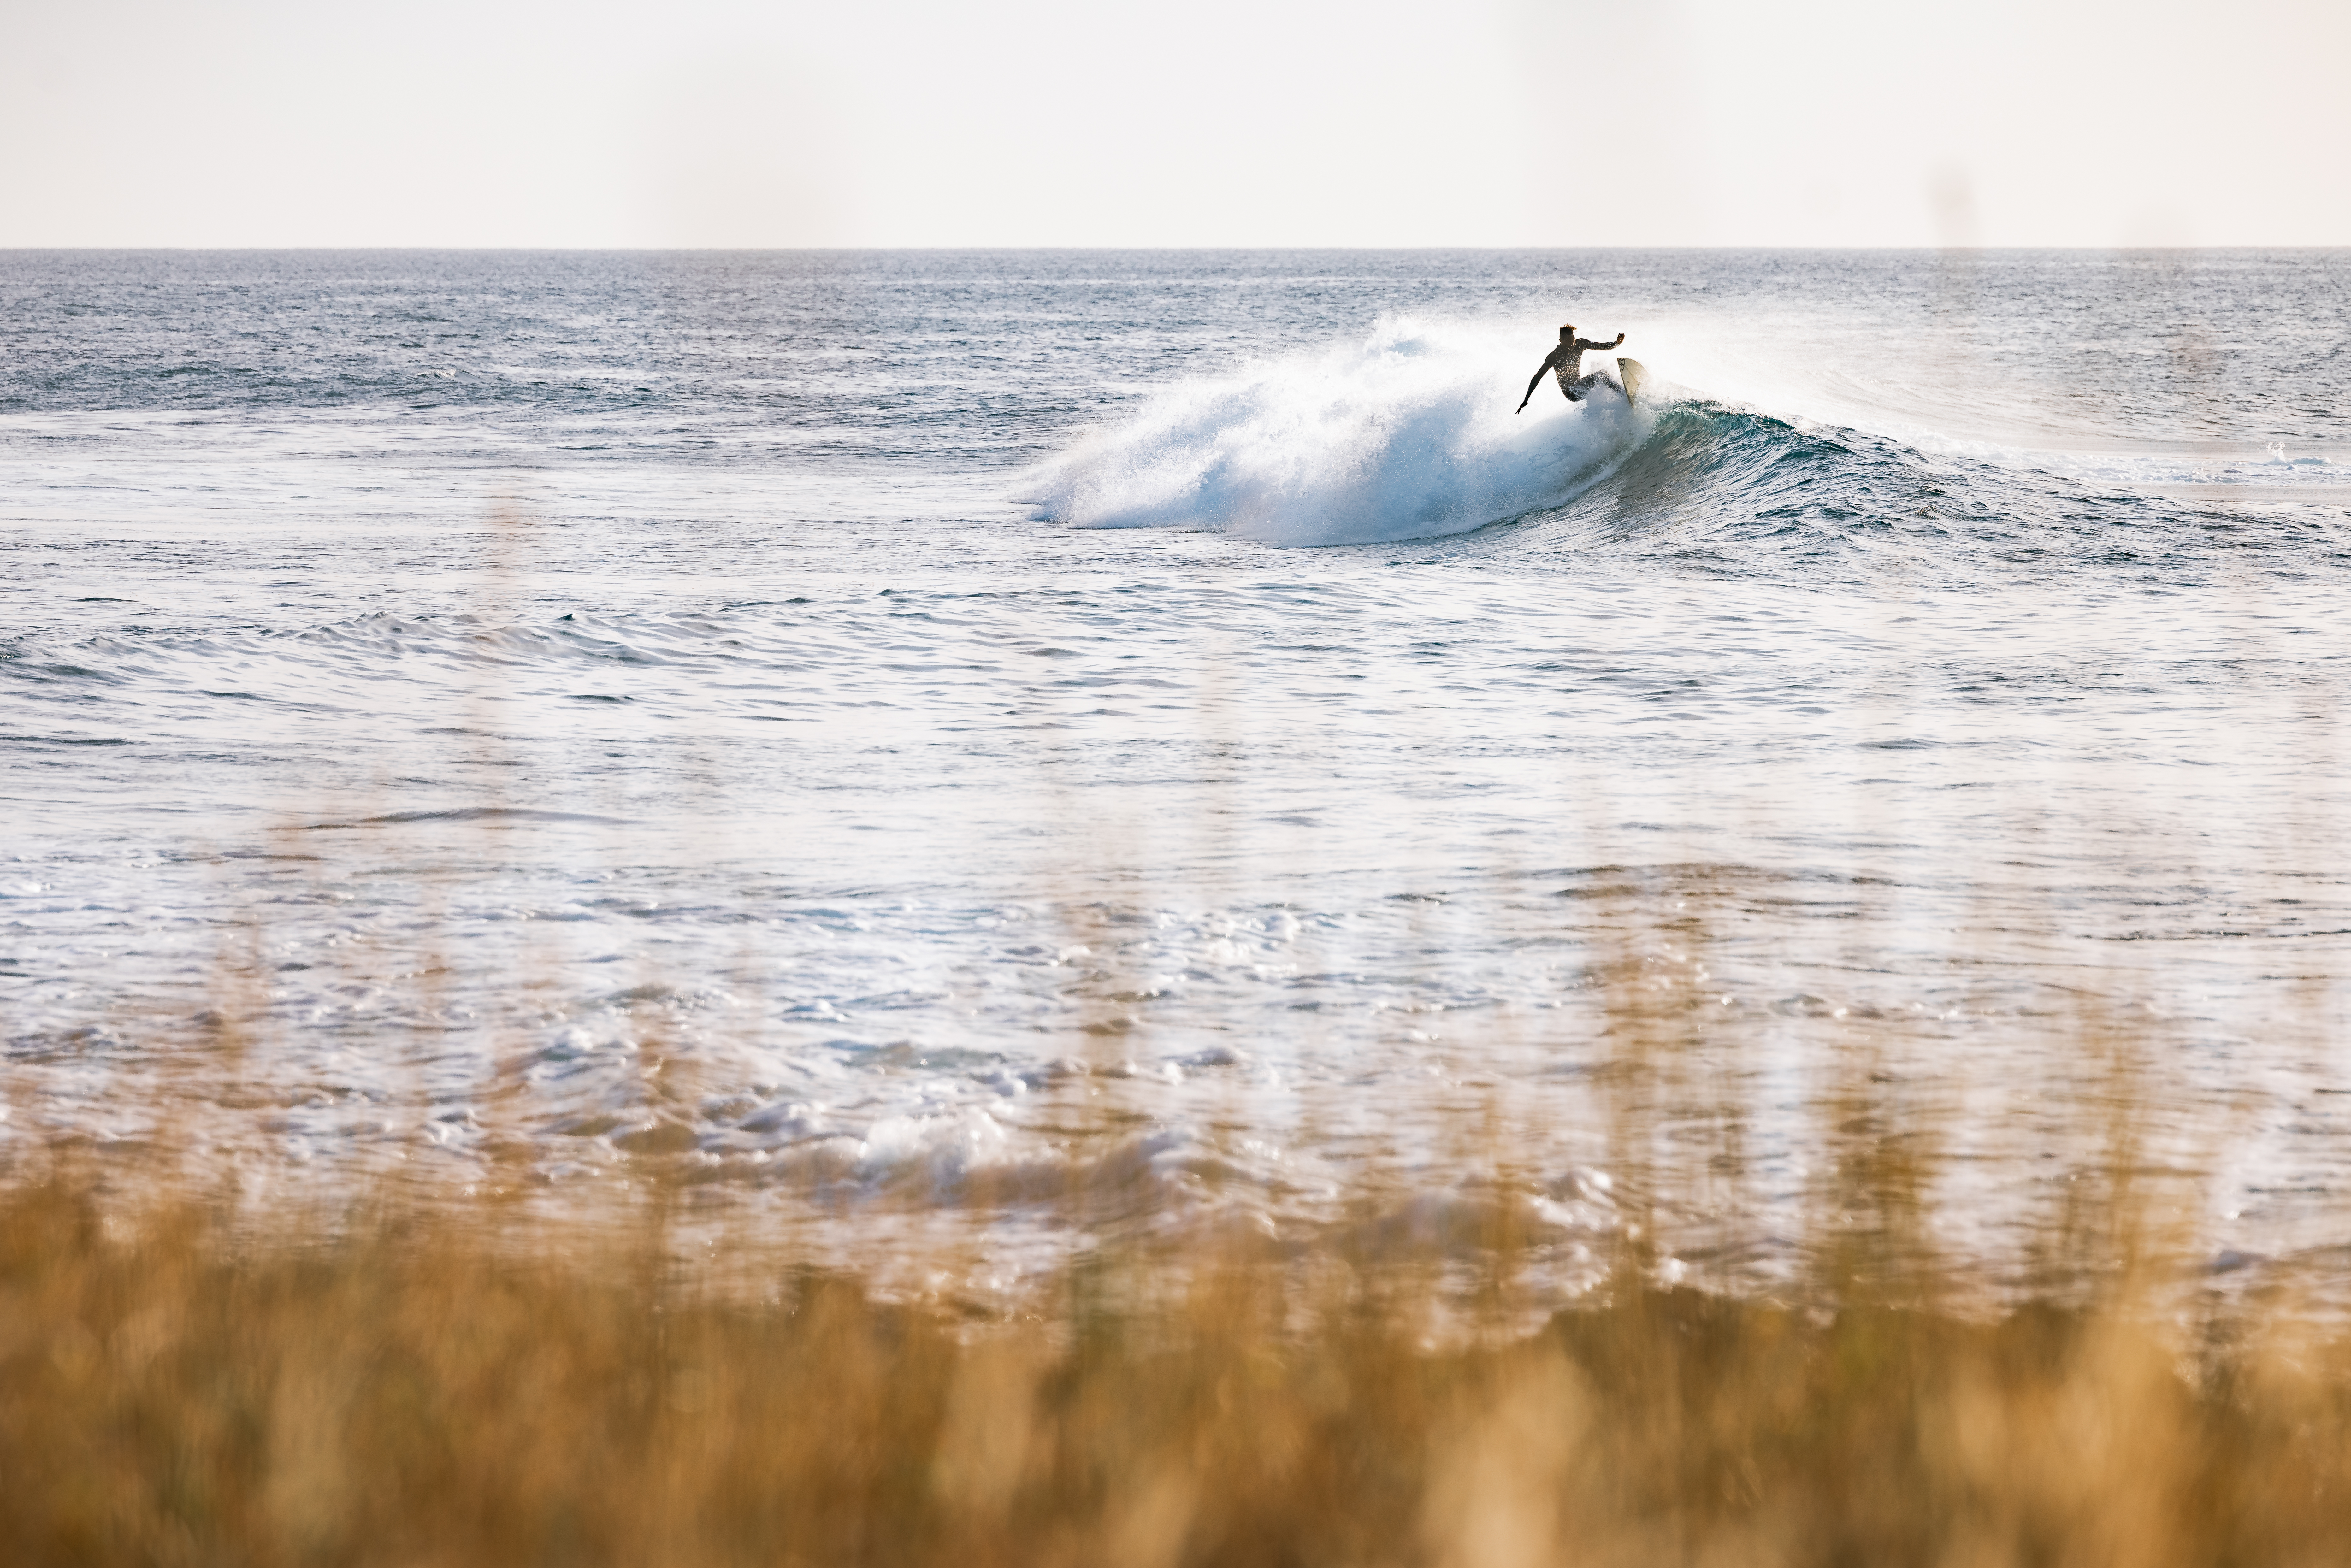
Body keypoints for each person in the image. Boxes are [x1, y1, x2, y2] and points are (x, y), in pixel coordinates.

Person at [1516, 324, 1627, 411]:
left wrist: (1617, 343)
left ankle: (1616, 402)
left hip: (1580, 385)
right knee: (1602, 375)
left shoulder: (1581, 344)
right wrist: (1527, 399)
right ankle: (1624, 396)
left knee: (1602, 380)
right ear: (1561, 341)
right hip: (1571, 393)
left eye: (1573, 341)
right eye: (1569, 343)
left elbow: (1601, 346)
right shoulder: (1554, 357)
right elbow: (1537, 377)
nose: (1572, 345)